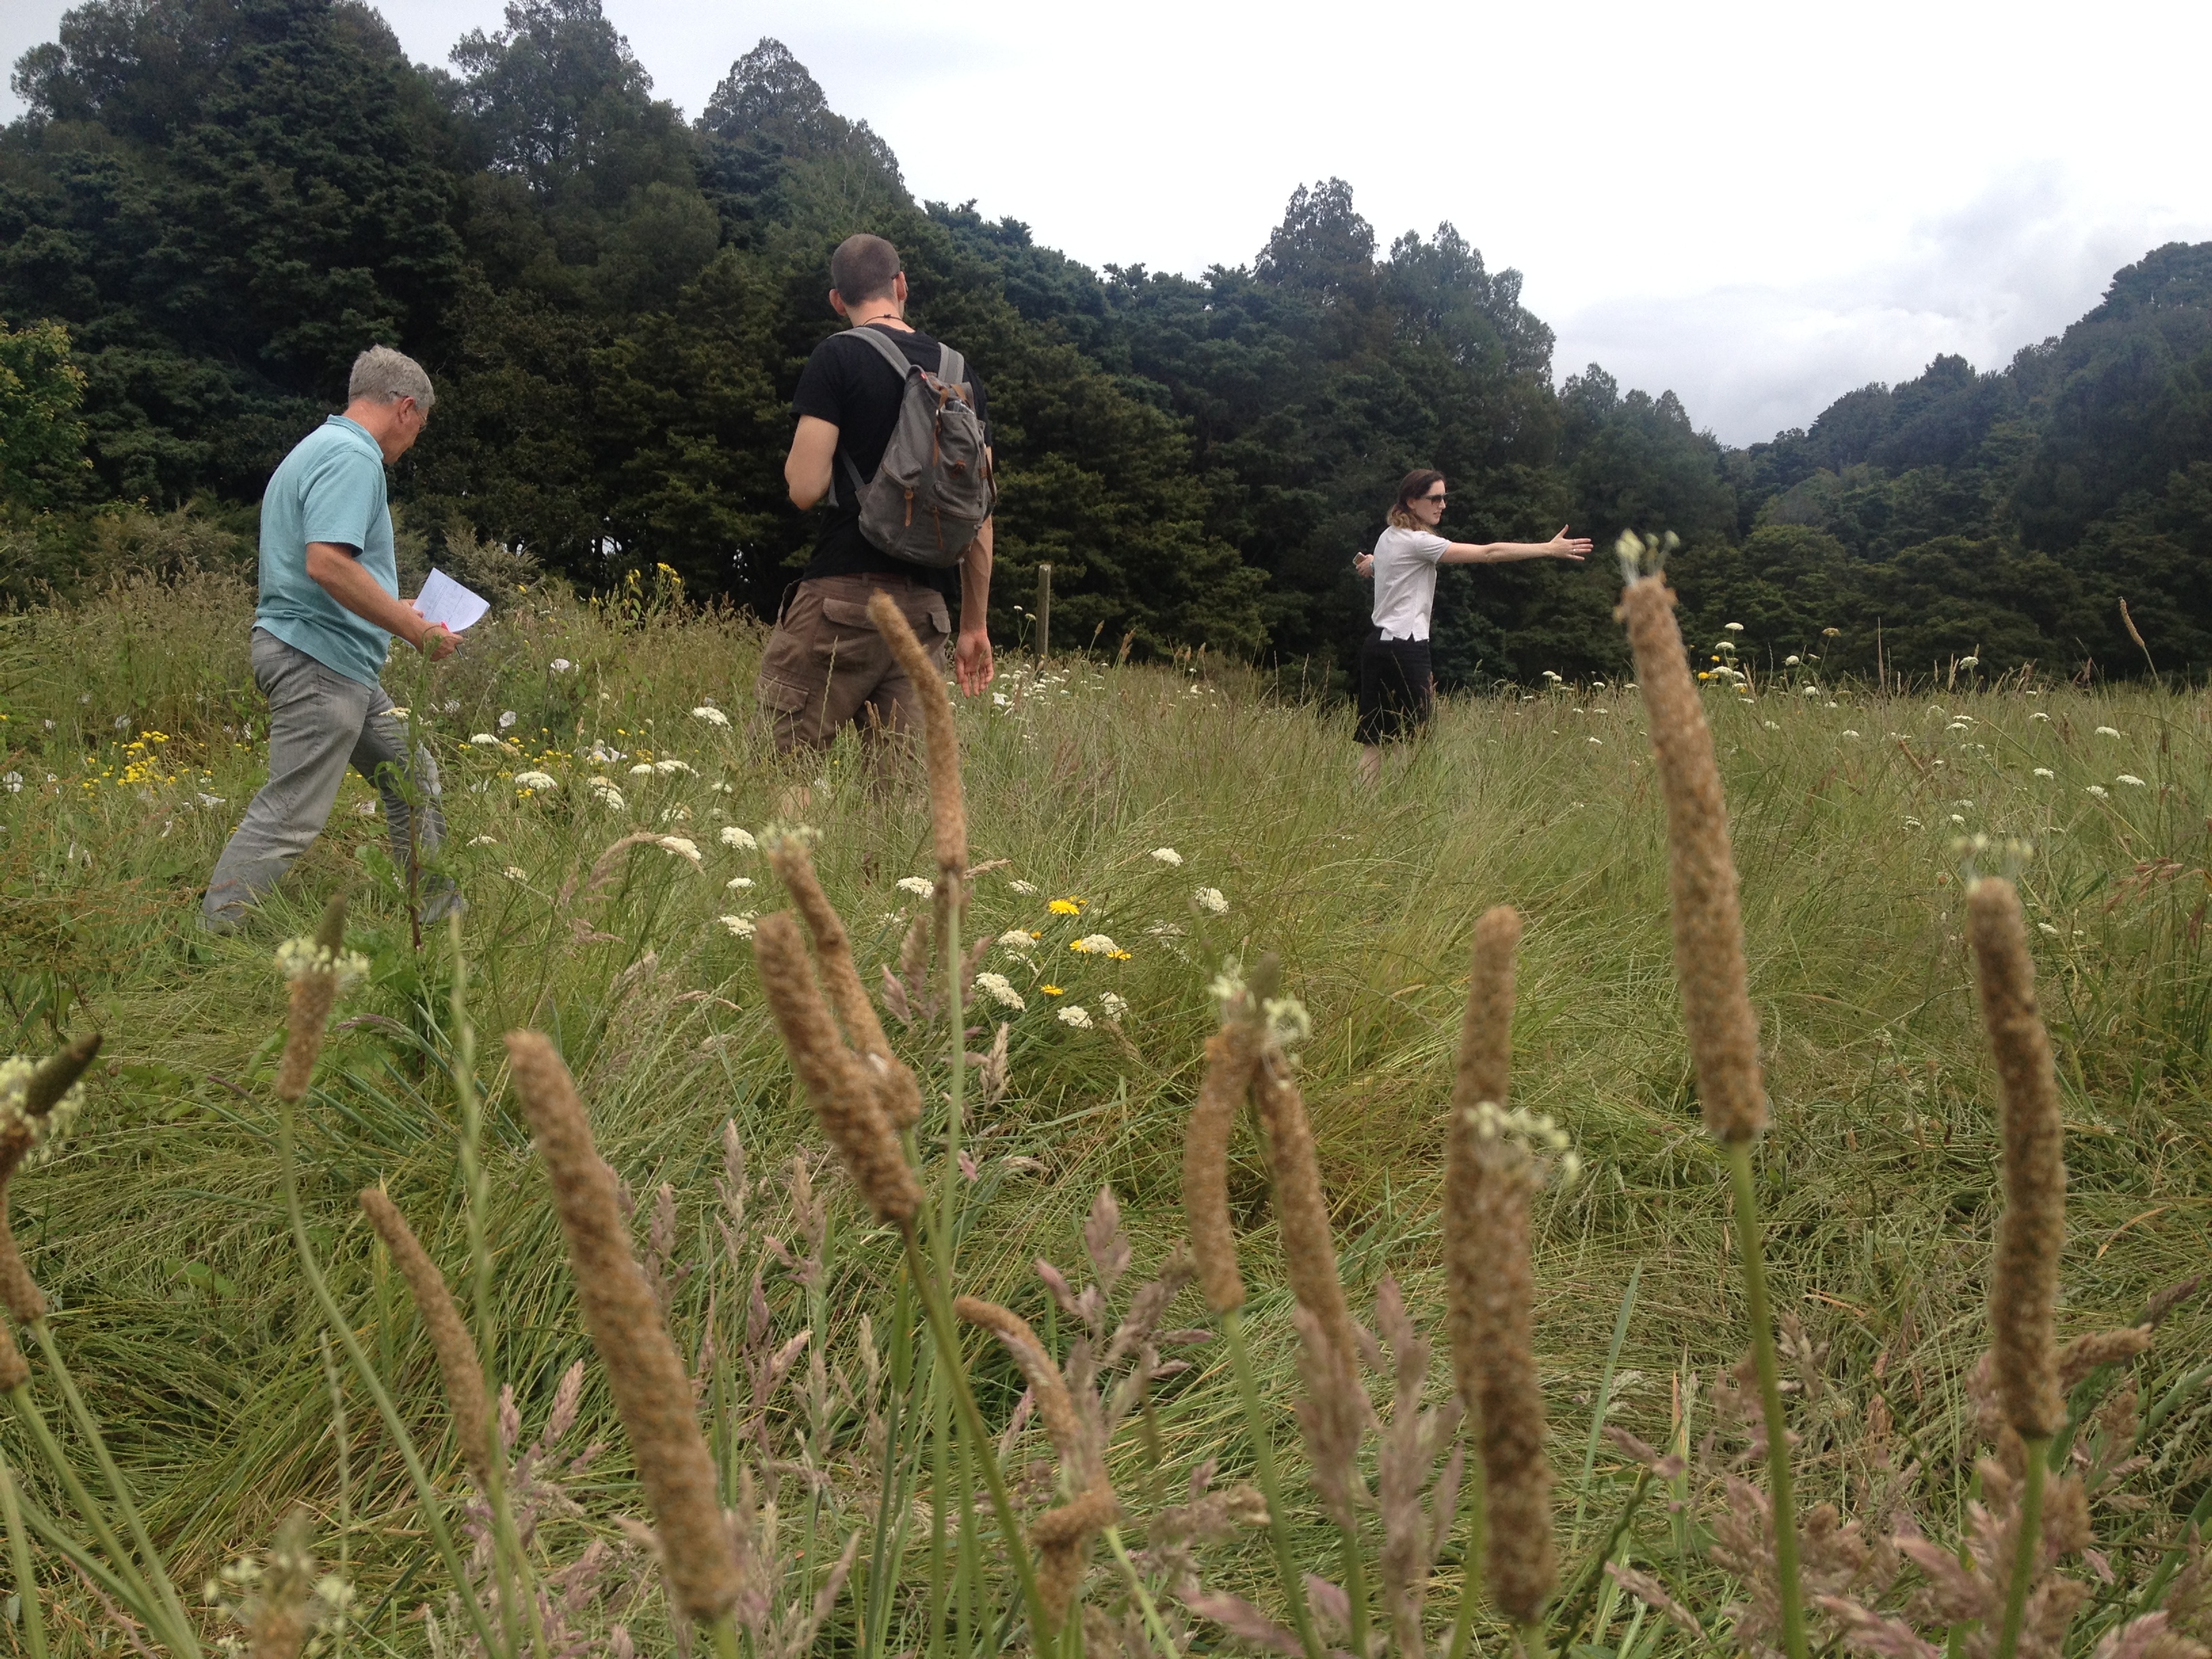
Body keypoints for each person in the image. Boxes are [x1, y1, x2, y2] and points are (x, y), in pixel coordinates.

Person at [203, 346, 460, 933]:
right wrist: (415, 630)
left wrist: (398, 608)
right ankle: (215, 937)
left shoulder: (318, 448)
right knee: (292, 812)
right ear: (405, 409)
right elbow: (327, 564)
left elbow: (318, 573)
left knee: (411, 777)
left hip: (337, 660)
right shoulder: (354, 457)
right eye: (421, 424)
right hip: (318, 662)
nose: (416, 438)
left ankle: (439, 919)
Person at [757, 233, 994, 760]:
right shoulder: (959, 374)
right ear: (901, 285)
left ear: (838, 301)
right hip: (925, 617)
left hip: (841, 603)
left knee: (780, 772)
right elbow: (979, 516)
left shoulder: (836, 357)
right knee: (901, 807)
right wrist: (974, 624)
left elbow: (805, 489)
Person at [1352, 469, 1591, 785]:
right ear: (1411, 501)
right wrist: (1548, 548)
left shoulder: (1388, 537)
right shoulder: (1419, 542)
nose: (1442, 505)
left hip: (1378, 648)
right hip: (1406, 649)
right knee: (1414, 739)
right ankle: (1401, 807)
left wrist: (1371, 564)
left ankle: (1361, 808)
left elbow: (1377, 563)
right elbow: (1489, 553)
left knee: (1376, 741)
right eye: (1434, 498)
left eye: (1444, 498)